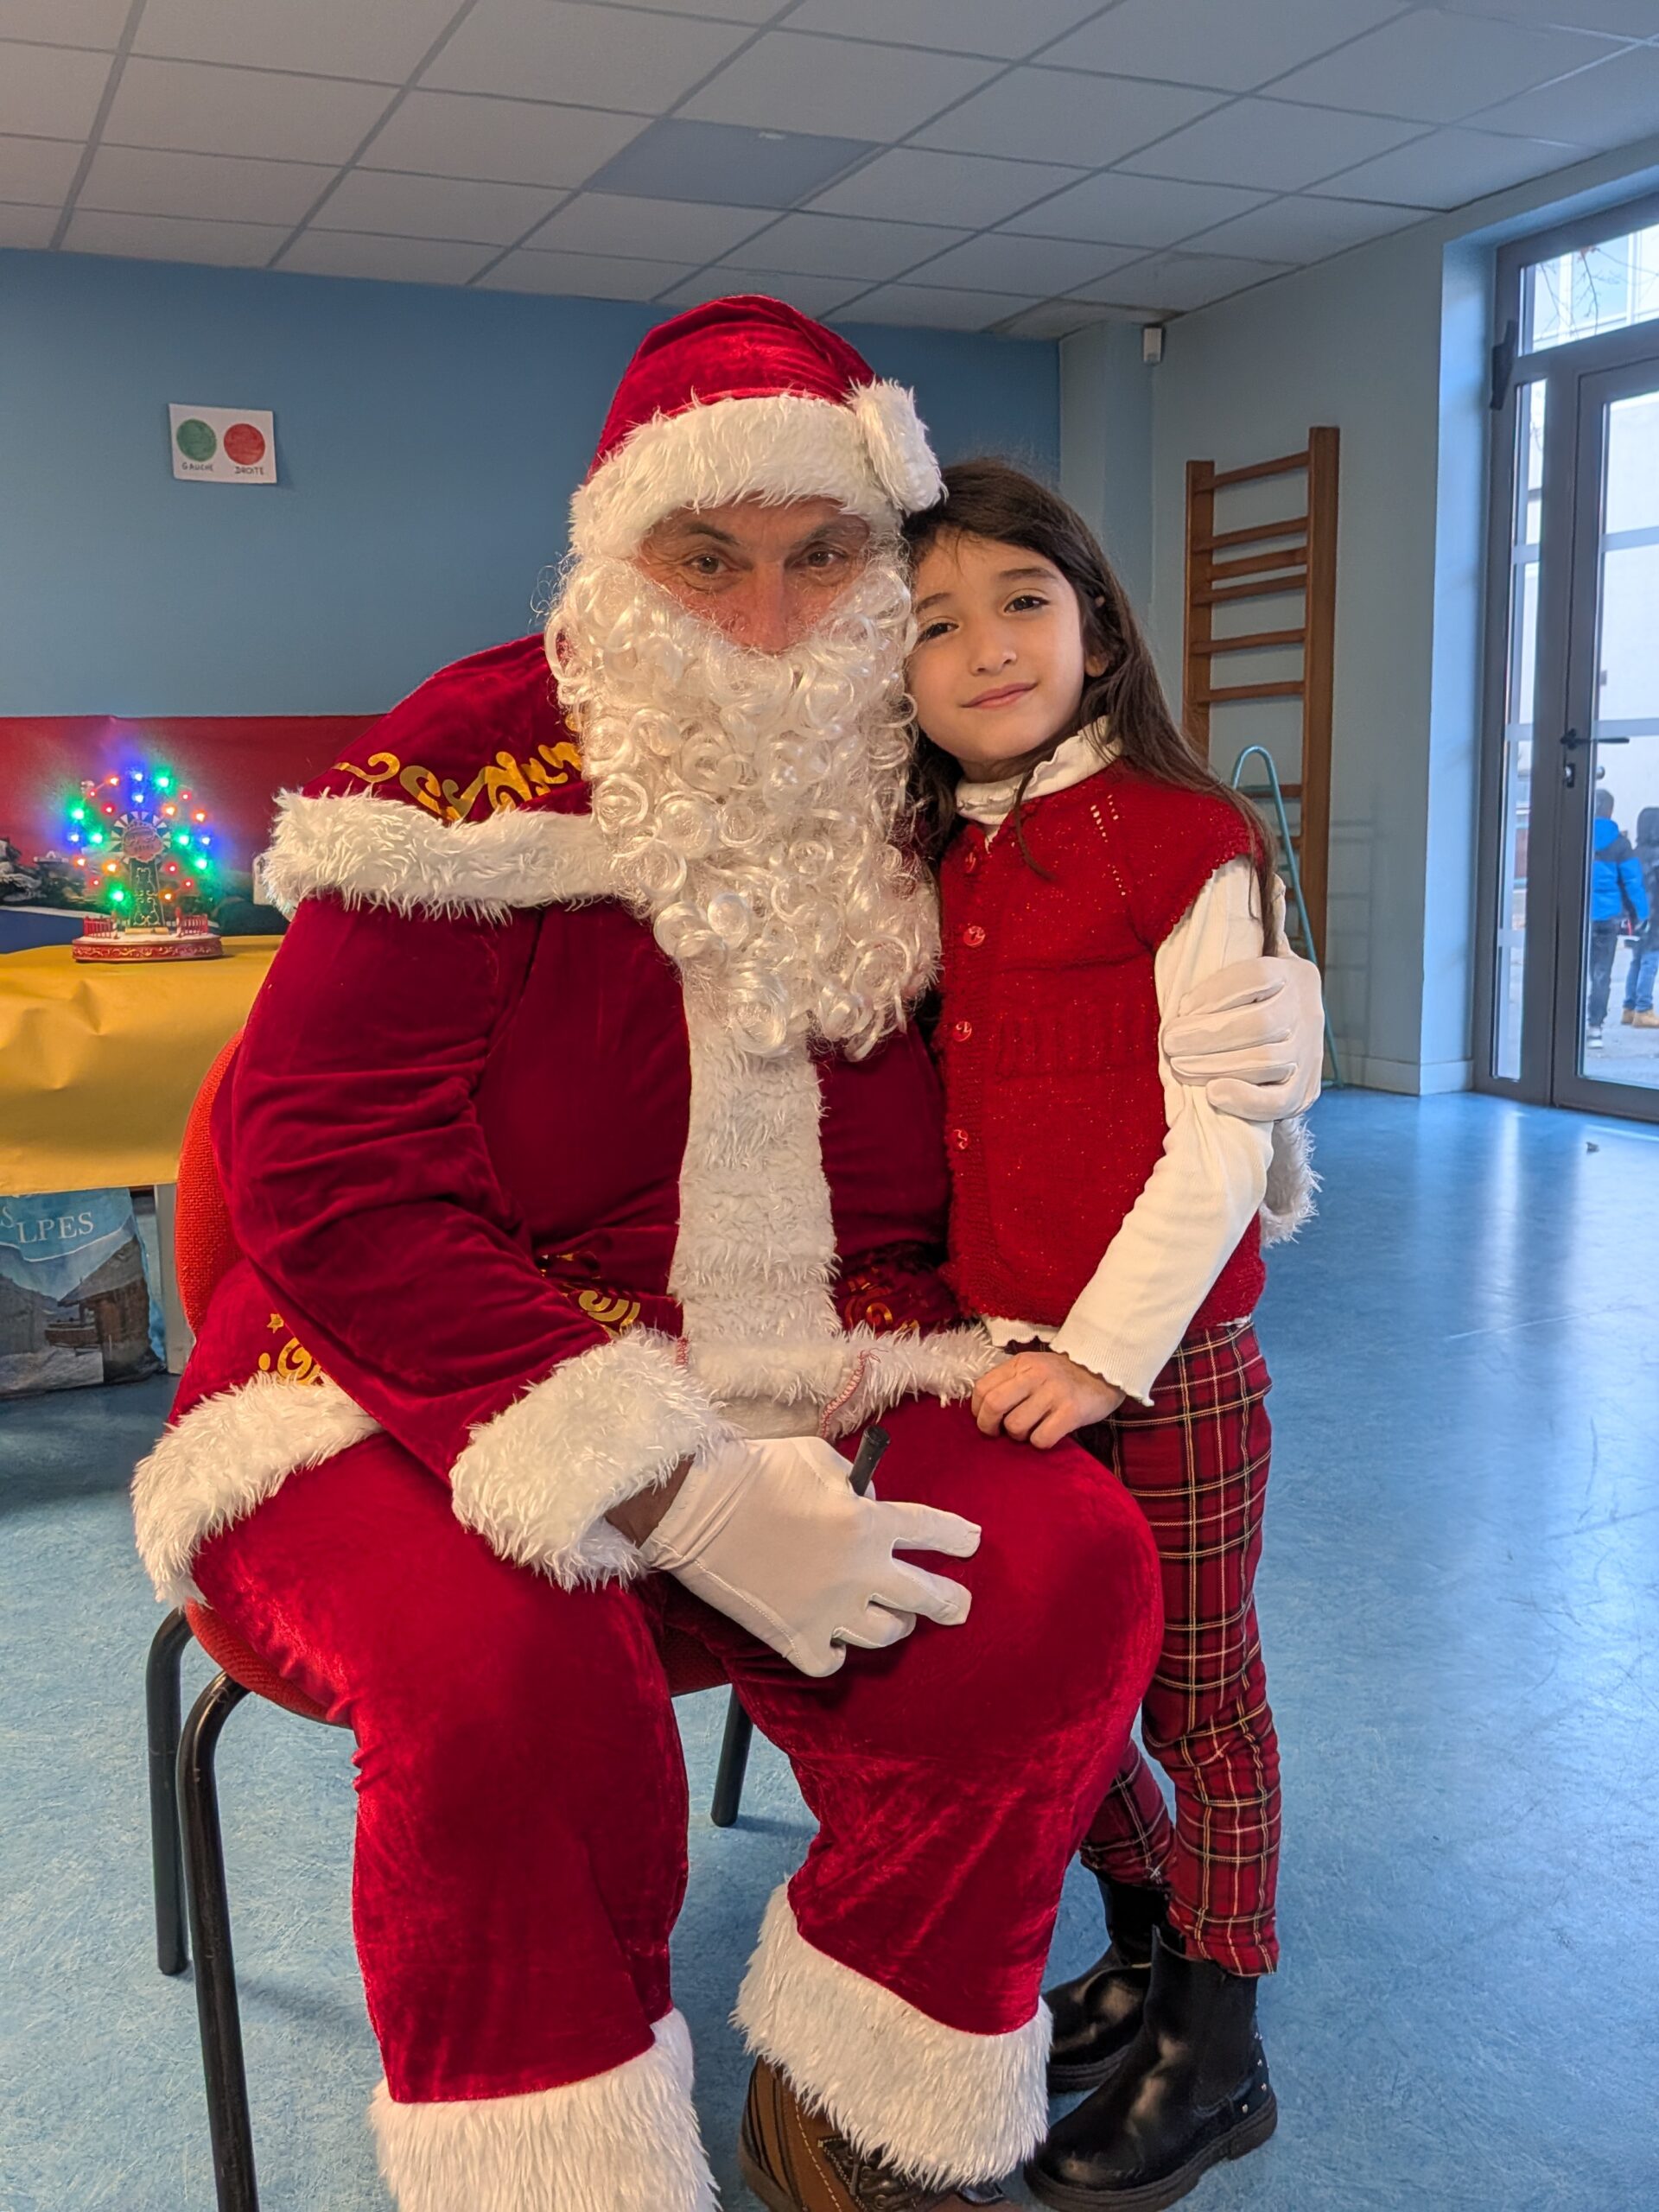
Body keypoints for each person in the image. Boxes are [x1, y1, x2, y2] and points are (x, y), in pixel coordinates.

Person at [130, 299, 1325, 2212]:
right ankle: (556, 2160)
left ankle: (866, 2075)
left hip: (846, 1346)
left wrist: (1249, 1014)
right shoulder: (466, 766)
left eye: (826, 556)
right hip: (402, 1373)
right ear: (621, 551)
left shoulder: (916, 754)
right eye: (709, 558)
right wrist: (671, 1484)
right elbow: (326, 1164)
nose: (770, 619)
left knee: (1060, 1573)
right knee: (501, 1661)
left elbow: (1091, 950)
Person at [904, 461, 1314, 2210]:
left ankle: (1217, 2047)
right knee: (1039, 1677)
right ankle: (1145, 1941)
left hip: (1163, 1368)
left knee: (1200, 1699)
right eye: (934, 624)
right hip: (993, 1362)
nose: (986, 646)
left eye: (1022, 601)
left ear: (1098, 628)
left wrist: (1104, 1354)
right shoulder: (939, 848)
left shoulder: (1183, 835)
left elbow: (1224, 1137)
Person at [1587, 788, 1648, 1048]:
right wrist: (1641, 915)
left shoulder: (1577, 836)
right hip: (1607, 918)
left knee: (1570, 970)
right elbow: (1633, 882)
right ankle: (1595, 1028)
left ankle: (1565, 1026)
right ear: (1610, 810)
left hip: (1577, 916)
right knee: (1601, 974)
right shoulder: (1620, 844)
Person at [1619, 804, 1659, 1031]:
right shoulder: (1657, 856)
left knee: (1636, 960)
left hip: (1636, 917)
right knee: (1650, 961)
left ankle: (1629, 1008)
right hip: (1655, 917)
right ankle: (1644, 1009)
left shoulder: (1635, 853)